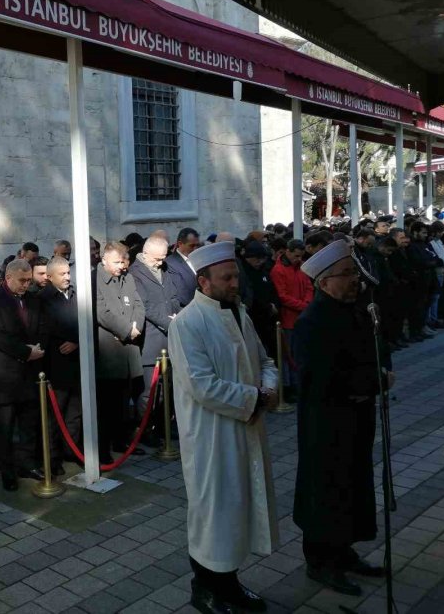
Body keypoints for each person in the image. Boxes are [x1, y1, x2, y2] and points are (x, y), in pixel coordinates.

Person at [167, 242, 278, 614]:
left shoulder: (239, 314)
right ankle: (205, 591)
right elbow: (202, 385)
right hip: (211, 437)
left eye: (236, 276)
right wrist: (258, 397)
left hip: (245, 428)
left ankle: (229, 585)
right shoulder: (187, 324)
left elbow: (265, 359)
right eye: (227, 277)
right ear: (204, 281)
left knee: (237, 510)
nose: (235, 283)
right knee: (212, 515)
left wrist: (270, 387)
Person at [292, 241, 389, 595]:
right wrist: (370, 381)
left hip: (357, 420)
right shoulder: (311, 323)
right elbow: (319, 379)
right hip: (326, 426)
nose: (355, 280)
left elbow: (377, 350)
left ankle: (344, 550)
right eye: (346, 274)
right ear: (323, 282)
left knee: (352, 486)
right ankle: (321, 561)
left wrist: (382, 372)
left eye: (354, 272)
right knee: (326, 492)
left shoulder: (358, 311)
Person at [0, 258, 45, 490]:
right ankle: (8, 472)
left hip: (31, 374)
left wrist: (37, 349)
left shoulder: (34, 300)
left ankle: (27, 464)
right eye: (22, 280)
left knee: (29, 424)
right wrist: (27, 352)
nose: (26, 285)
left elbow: (42, 327)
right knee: (5, 429)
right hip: (6, 376)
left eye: (29, 280)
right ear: (8, 278)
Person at [94, 242, 145, 464]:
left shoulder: (128, 278)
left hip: (128, 347)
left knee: (124, 401)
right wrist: (125, 329)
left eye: (123, 262)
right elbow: (101, 311)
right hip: (109, 350)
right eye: (116, 262)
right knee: (106, 404)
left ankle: (121, 440)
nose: (121, 267)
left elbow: (138, 305)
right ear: (104, 260)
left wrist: (135, 328)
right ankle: (102, 448)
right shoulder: (94, 280)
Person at [129, 235, 181, 446]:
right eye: (157, 259)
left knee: (167, 388)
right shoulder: (136, 273)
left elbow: (173, 296)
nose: (161, 263)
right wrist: (169, 322)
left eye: (163, 259)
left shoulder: (164, 269)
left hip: (169, 338)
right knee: (149, 392)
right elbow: (145, 306)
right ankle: (144, 429)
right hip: (151, 340)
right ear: (146, 253)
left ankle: (162, 426)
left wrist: (178, 316)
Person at [38, 257, 82, 468]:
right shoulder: (42, 299)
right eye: (62, 274)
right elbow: (49, 327)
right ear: (50, 276)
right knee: (54, 415)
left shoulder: (75, 294)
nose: (67, 277)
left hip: (76, 361)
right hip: (55, 365)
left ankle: (71, 449)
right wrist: (70, 338)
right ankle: (53, 457)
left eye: (68, 273)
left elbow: (84, 320)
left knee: (75, 412)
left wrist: (76, 341)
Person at [271, 239, 312, 401]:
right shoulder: (278, 270)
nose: (298, 259)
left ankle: (298, 383)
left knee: (299, 353)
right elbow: (282, 296)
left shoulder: (301, 266)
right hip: (289, 318)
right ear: (287, 251)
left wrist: (307, 303)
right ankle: (289, 386)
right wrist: (303, 305)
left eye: (300, 256)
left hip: (301, 315)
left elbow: (309, 286)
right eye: (295, 256)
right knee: (288, 355)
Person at [240, 241, 280, 359]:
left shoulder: (264, 271)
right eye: (257, 259)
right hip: (254, 320)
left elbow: (272, 290)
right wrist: (267, 307)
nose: (260, 262)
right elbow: (250, 296)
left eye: (262, 259)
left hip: (269, 320)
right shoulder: (243, 272)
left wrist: (275, 305)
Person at [165, 227, 201, 307]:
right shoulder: (171, 263)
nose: (195, 249)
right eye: (192, 246)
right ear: (180, 244)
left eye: (197, 245)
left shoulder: (200, 259)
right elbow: (182, 296)